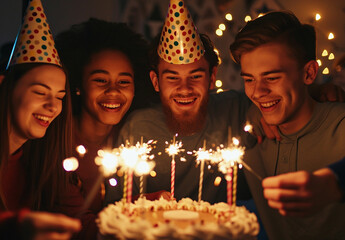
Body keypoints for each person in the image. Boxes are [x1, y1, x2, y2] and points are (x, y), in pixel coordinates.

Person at [112, 0, 254, 205]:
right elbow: (115, 205)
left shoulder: (234, 109)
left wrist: (261, 116)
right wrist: (149, 200)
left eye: (195, 76)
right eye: (172, 77)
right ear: (156, 81)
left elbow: (283, 97)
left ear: (212, 77)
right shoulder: (137, 128)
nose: (185, 88)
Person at [230, 10, 345, 240]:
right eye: (249, 79)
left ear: (309, 72)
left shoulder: (340, 126)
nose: (258, 92)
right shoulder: (250, 128)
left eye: (272, 78)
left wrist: (335, 182)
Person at [55, 18, 155, 237]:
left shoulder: (132, 139)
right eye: (101, 80)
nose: (113, 91)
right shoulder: (57, 142)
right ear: (78, 85)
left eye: (124, 82)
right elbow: (79, 228)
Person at [0, 0, 81, 239]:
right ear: (5, 86)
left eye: (59, 96)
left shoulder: (39, 162)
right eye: (39, 92)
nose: (53, 106)